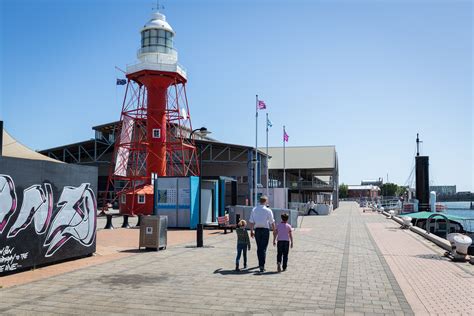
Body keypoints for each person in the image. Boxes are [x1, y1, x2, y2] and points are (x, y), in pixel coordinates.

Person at [249, 195, 275, 273]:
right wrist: (274, 230)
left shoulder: (254, 209)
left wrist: (251, 230)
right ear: (266, 201)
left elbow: (251, 221)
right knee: (263, 248)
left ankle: (260, 262)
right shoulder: (268, 210)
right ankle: (262, 266)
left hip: (257, 230)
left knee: (259, 247)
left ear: (259, 201)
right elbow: (272, 221)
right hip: (265, 230)